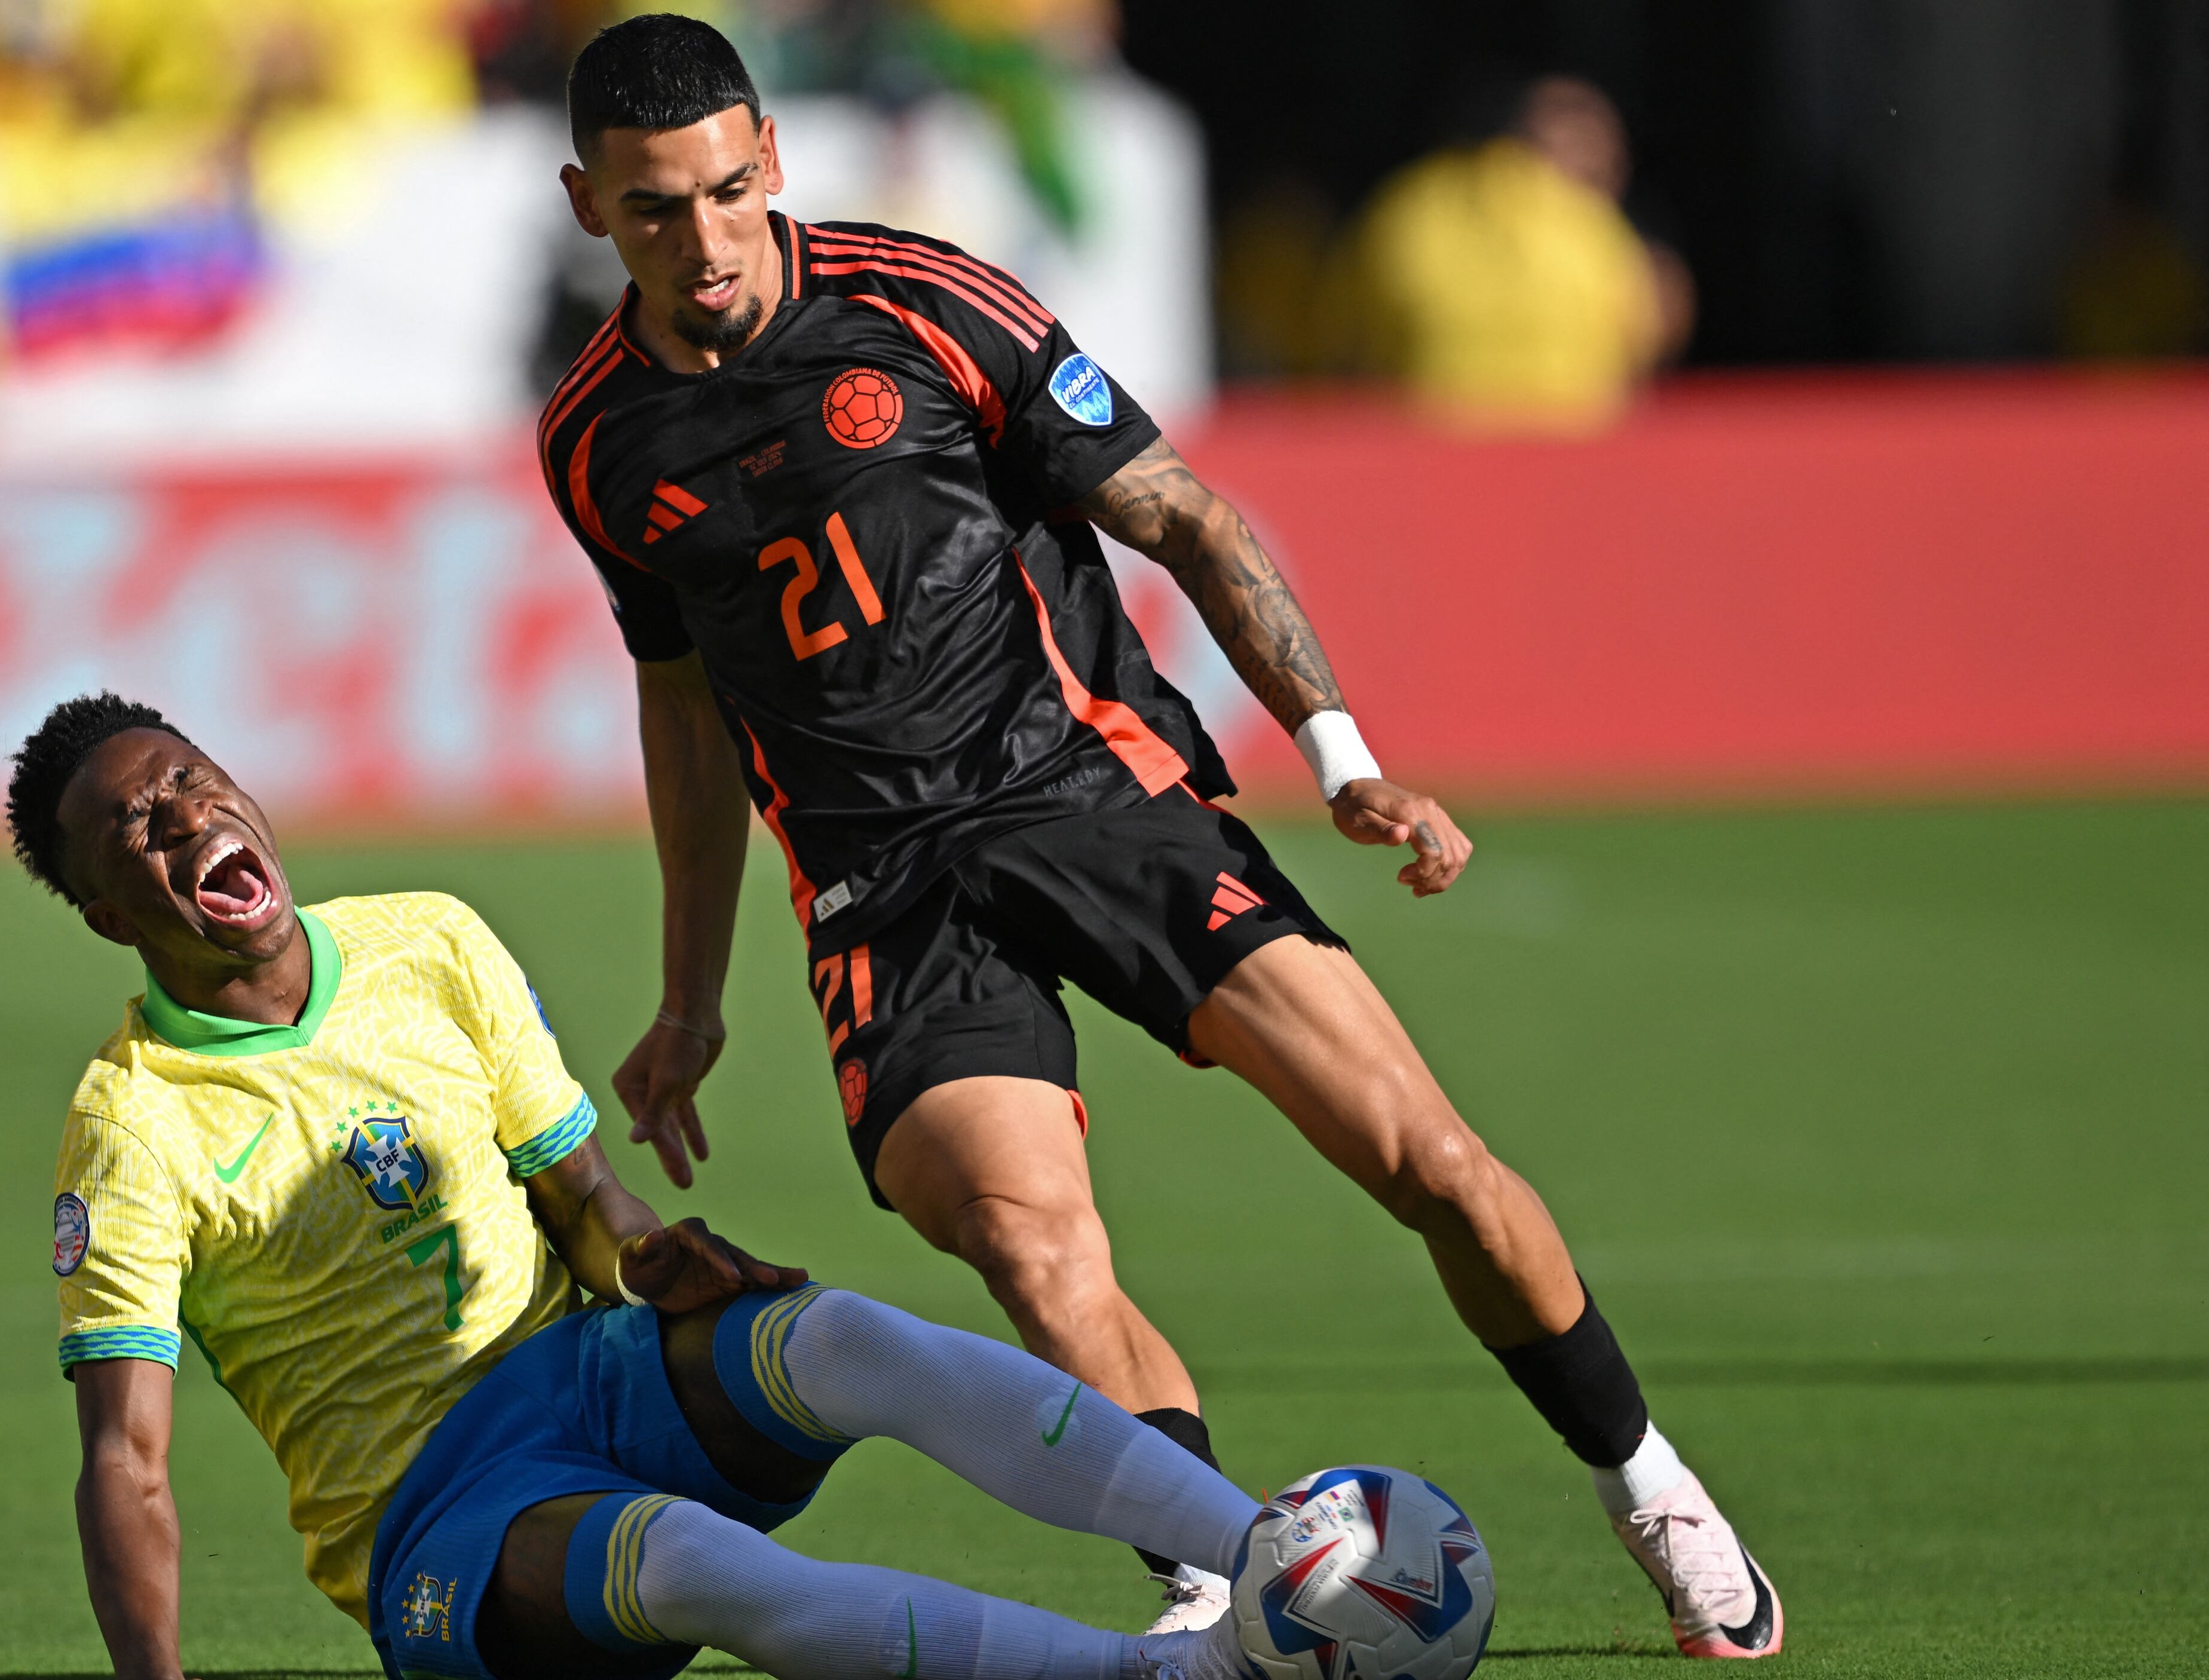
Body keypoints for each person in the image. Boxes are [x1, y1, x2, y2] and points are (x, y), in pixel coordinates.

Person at [540, 16, 1778, 1660]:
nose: (700, 245)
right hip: (883, 897)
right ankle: (1225, 1586)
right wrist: (690, 993)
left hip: (1090, 798)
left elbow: (1180, 510)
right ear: (585, 207)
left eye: (721, 191)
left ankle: (1650, 1483)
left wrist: (1340, 755)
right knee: (1032, 1247)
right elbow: (686, 711)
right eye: (650, 211)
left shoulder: (923, 302)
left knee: (1434, 1166)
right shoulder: (596, 440)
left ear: (769, 153)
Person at [8, 690, 1276, 1680]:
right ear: (110, 915)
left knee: (838, 1333)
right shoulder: (134, 1120)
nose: (180, 812)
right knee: (689, 1559)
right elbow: (126, 1457)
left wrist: (645, 1256)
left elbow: (586, 1205)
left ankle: (1270, 1559)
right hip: (444, 1517)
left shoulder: (430, 939)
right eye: (134, 823)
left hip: (598, 1375)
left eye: (187, 776)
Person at [1343, 75, 1689, 432]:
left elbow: (1350, 341)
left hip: (1432, 446)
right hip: (1571, 446)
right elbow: (1650, 333)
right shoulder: (1587, 227)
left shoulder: (1405, 210)